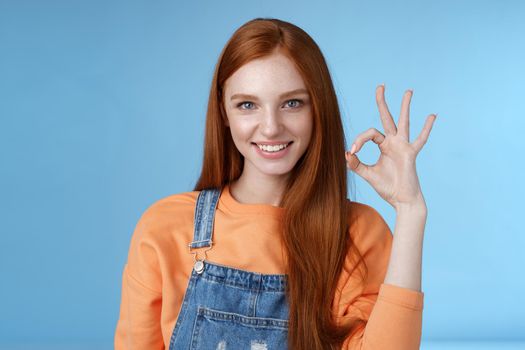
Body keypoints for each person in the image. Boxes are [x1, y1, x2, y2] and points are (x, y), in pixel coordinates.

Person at [114, 17, 436, 350]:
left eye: (292, 103)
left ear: (317, 110)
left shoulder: (359, 234)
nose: (270, 127)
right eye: (247, 105)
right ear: (223, 112)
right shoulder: (164, 227)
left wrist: (410, 210)